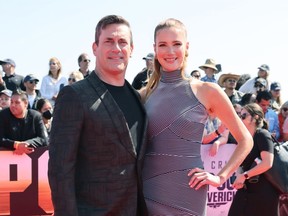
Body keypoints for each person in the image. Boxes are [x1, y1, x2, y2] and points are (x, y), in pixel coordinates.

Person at [141, 18, 253, 215]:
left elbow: (245, 140)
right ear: (154, 49)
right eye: (163, 45)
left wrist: (219, 178)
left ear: (187, 47)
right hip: (149, 190)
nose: (170, 51)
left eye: (176, 44)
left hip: (189, 191)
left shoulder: (206, 90)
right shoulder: (144, 95)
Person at [48, 15, 148, 216]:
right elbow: (60, 170)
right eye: (108, 41)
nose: (116, 48)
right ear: (95, 48)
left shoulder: (137, 98)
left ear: (131, 49)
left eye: (122, 42)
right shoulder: (74, 95)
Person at [228, 103, 280, 216]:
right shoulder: (245, 139)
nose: (240, 118)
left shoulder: (262, 134)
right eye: (239, 115)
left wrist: (244, 175)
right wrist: (240, 176)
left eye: (243, 116)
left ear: (255, 117)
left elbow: (267, 163)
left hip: (264, 192)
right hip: (247, 190)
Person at [0, 90, 48, 155]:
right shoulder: (3, 115)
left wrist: (27, 144)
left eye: (17, 102)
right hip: (7, 158)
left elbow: (44, 139)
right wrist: (16, 145)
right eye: (11, 102)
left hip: (32, 159)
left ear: (26, 103)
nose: (13, 105)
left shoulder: (36, 116)